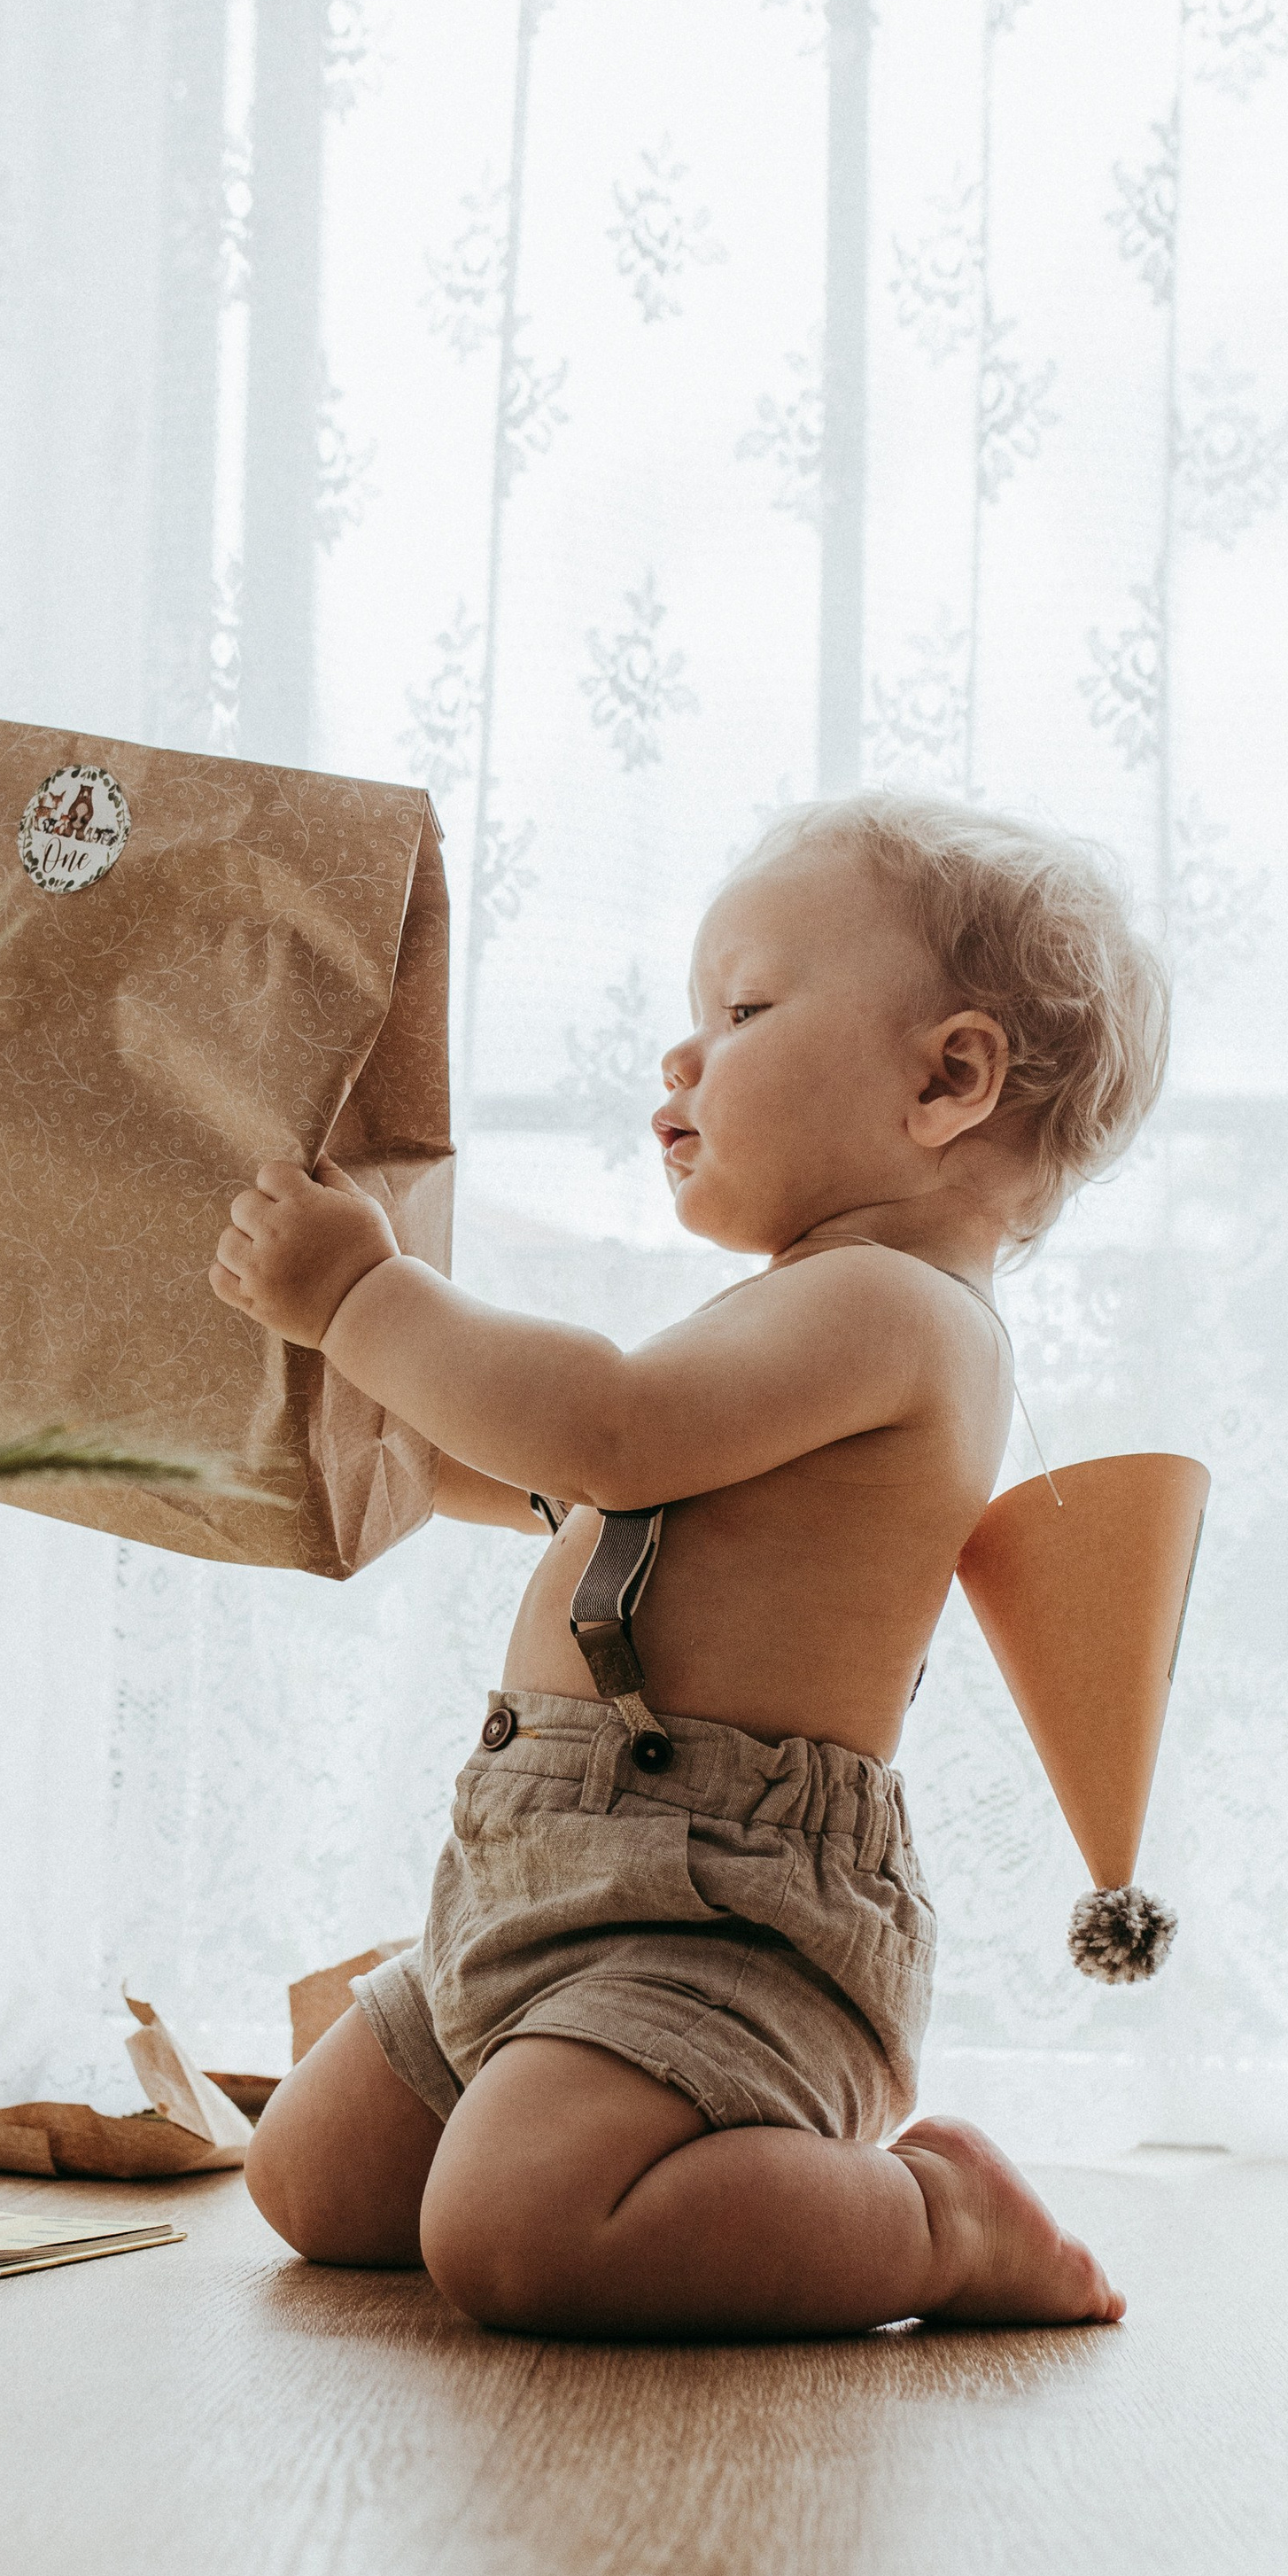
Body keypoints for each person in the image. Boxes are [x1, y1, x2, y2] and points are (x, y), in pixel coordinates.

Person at [212, 791, 1169, 2339]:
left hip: (721, 1909)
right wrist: (377, 1435)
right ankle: (549, 2071)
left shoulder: (897, 1309)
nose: (682, 1056)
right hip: (540, 1866)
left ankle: (938, 2219)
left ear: (947, 1079)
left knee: (513, 2235)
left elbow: (609, 1433)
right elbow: (578, 1487)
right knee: (310, 2182)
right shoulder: (802, 1308)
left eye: (744, 1010)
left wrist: (364, 1302)